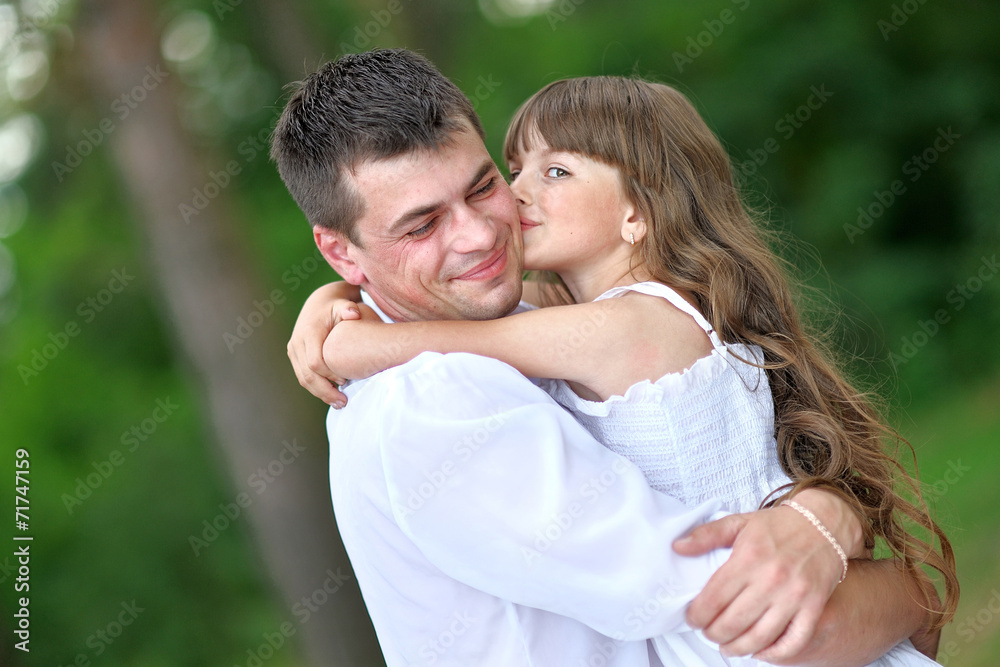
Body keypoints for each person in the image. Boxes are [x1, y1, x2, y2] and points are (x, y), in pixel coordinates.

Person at [274, 49, 946, 666]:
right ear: (341, 249)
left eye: (483, 187)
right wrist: (916, 591)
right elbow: (769, 620)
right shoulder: (436, 398)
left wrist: (343, 320)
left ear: (638, 213)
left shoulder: (548, 320)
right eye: (421, 225)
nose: (481, 233)